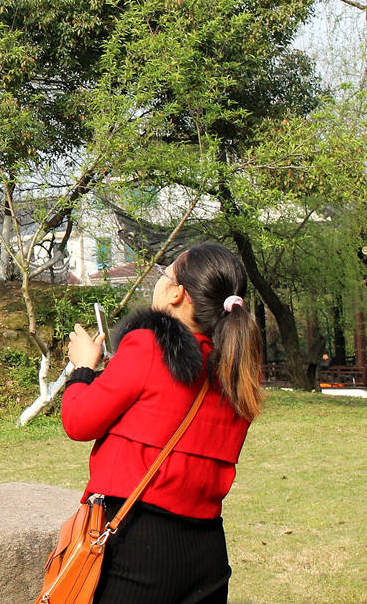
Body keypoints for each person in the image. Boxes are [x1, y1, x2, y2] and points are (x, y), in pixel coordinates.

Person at [62, 243, 263, 603]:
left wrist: (82, 369)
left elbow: (78, 421)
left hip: (139, 541)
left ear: (177, 293)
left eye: (164, 274)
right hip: (207, 548)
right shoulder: (235, 372)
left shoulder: (149, 346)